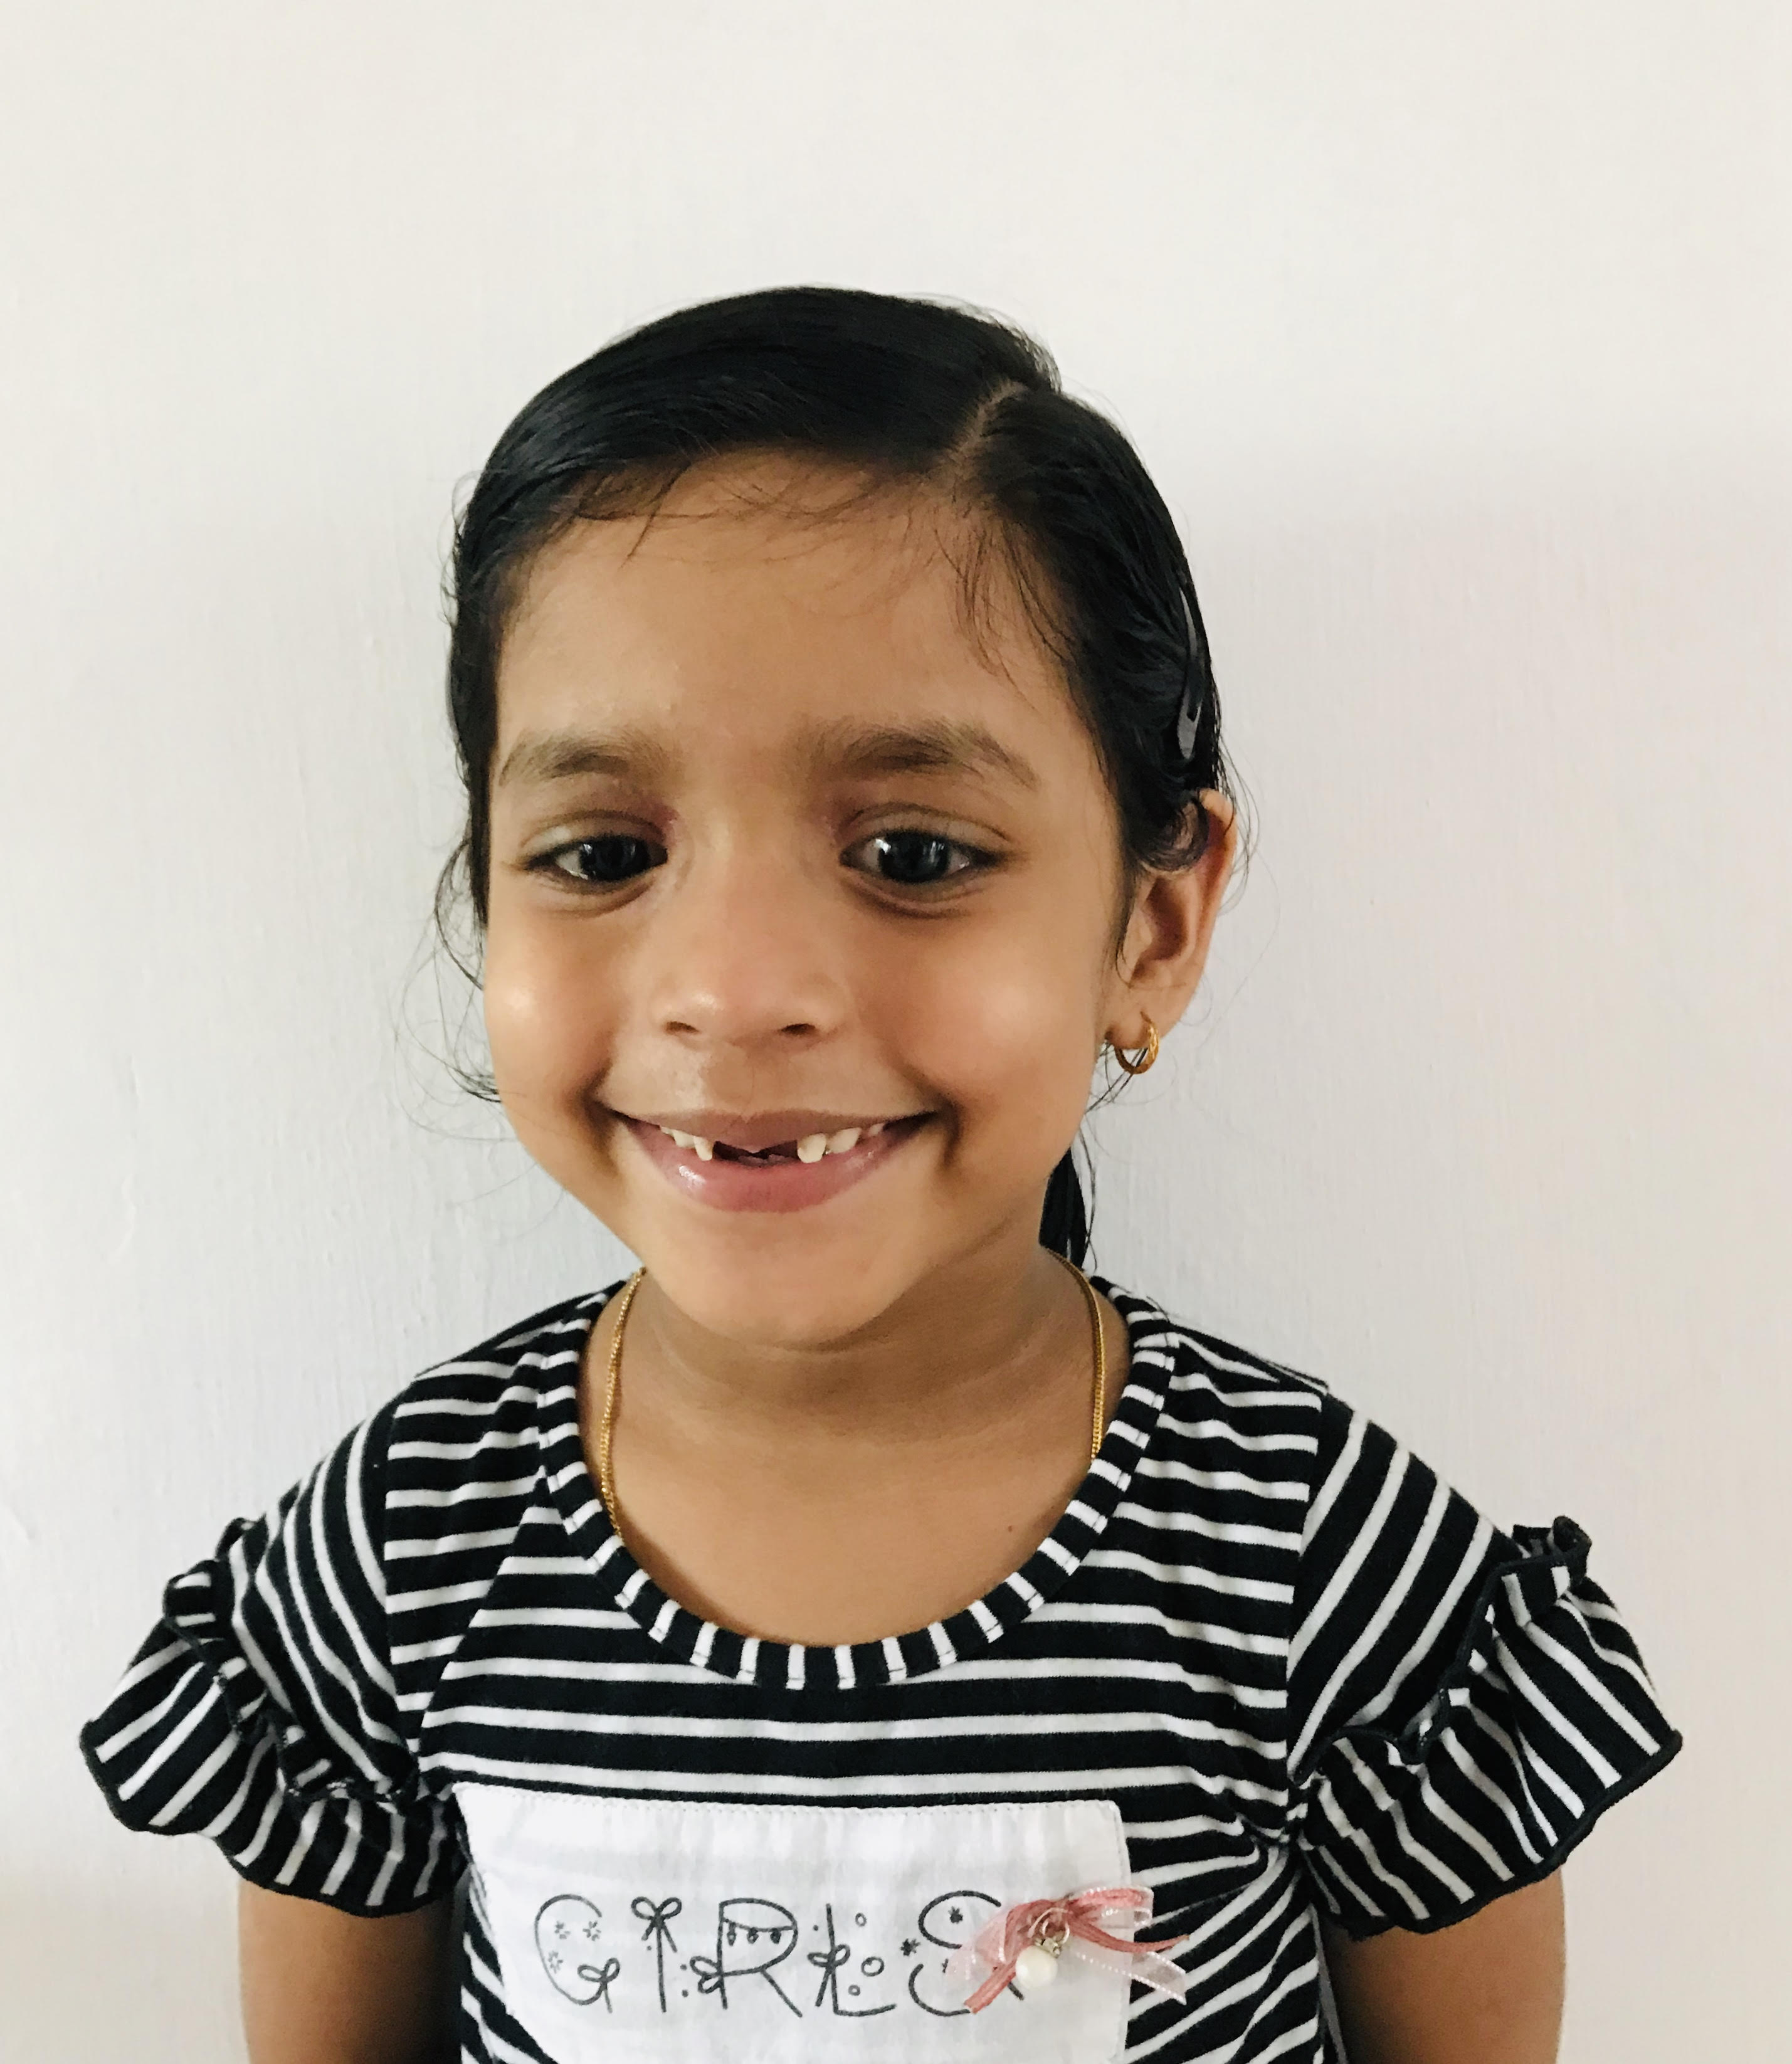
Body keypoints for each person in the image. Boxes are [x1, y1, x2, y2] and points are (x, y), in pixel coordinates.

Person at [80, 287, 1679, 2064]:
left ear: (1153, 924)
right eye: (602, 852)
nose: (734, 988)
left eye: (913, 852)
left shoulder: (1313, 1562)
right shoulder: (406, 1542)